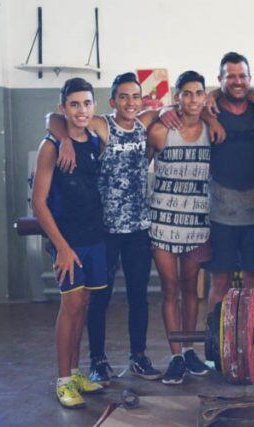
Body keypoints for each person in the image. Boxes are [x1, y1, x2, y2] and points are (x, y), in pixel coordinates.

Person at [45, 73, 163, 385]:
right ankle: (98, 362)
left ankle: (138, 356)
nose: (130, 102)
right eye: (123, 97)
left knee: (139, 296)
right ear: (111, 102)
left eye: (135, 96)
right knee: (98, 299)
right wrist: (64, 140)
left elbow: (174, 110)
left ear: (142, 100)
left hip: (138, 227)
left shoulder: (146, 121)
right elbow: (53, 116)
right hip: (104, 229)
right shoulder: (101, 125)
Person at [201, 52, 254, 364]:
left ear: (249, 78)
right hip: (220, 208)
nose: (236, 81)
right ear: (220, 79)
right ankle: (214, 345)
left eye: (242, 76)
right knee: (219, 281)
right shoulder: (210, 108)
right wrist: (209, 115)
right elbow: (180, 108)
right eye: (230, 76)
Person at [32, 77, 106, 408]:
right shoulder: (51, 145)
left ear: (94, 106)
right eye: (74, 104)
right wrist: (61, 246)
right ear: (63, 108)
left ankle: (75, 372)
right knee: (71, 307)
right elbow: (39, 203)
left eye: (86, 103)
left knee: (84, 308)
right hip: (68, 242)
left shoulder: (94, 140)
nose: (81, 110)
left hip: (94, 237)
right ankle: (63, 380)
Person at [147, 71, 212, 385]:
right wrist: (159, 112)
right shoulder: (161, 131)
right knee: (170, 289)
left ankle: (189, 350)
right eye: (186, 93)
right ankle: (174, 356)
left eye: (198, 93)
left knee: (190, 288)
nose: (193, 99)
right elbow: (139, 168)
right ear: (177, 96)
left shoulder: (210, 132)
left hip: (198, 221)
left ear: (204, 96)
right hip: (163, 221)